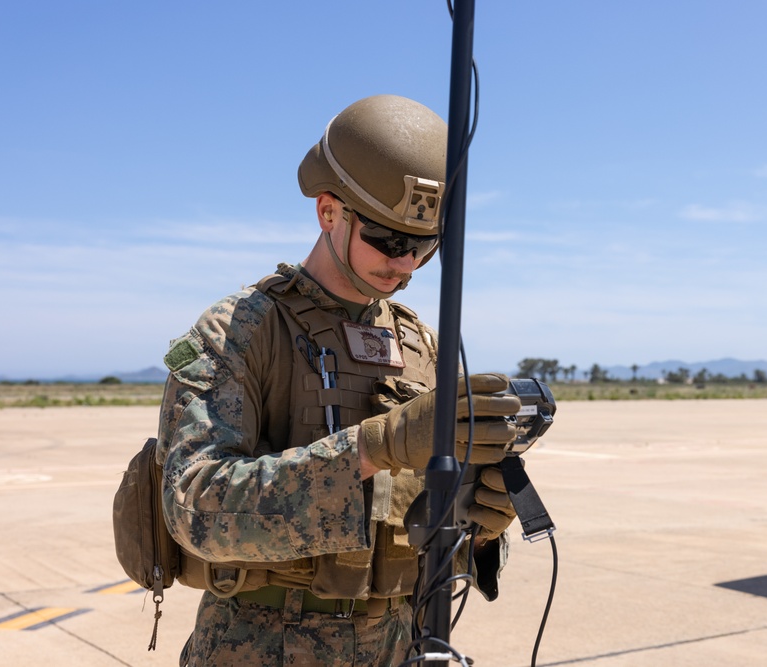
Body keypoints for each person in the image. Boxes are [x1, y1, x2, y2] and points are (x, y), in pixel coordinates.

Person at [154, 94, 520, 667]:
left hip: (401, 644)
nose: (404, 265)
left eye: (424, 247)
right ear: (329, 212)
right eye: (388, 241)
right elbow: (195, 509)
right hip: (263, 647)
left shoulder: (422, 343)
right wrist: (376, 446)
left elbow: (421, 519)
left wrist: (480, 521)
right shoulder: (243, 329)